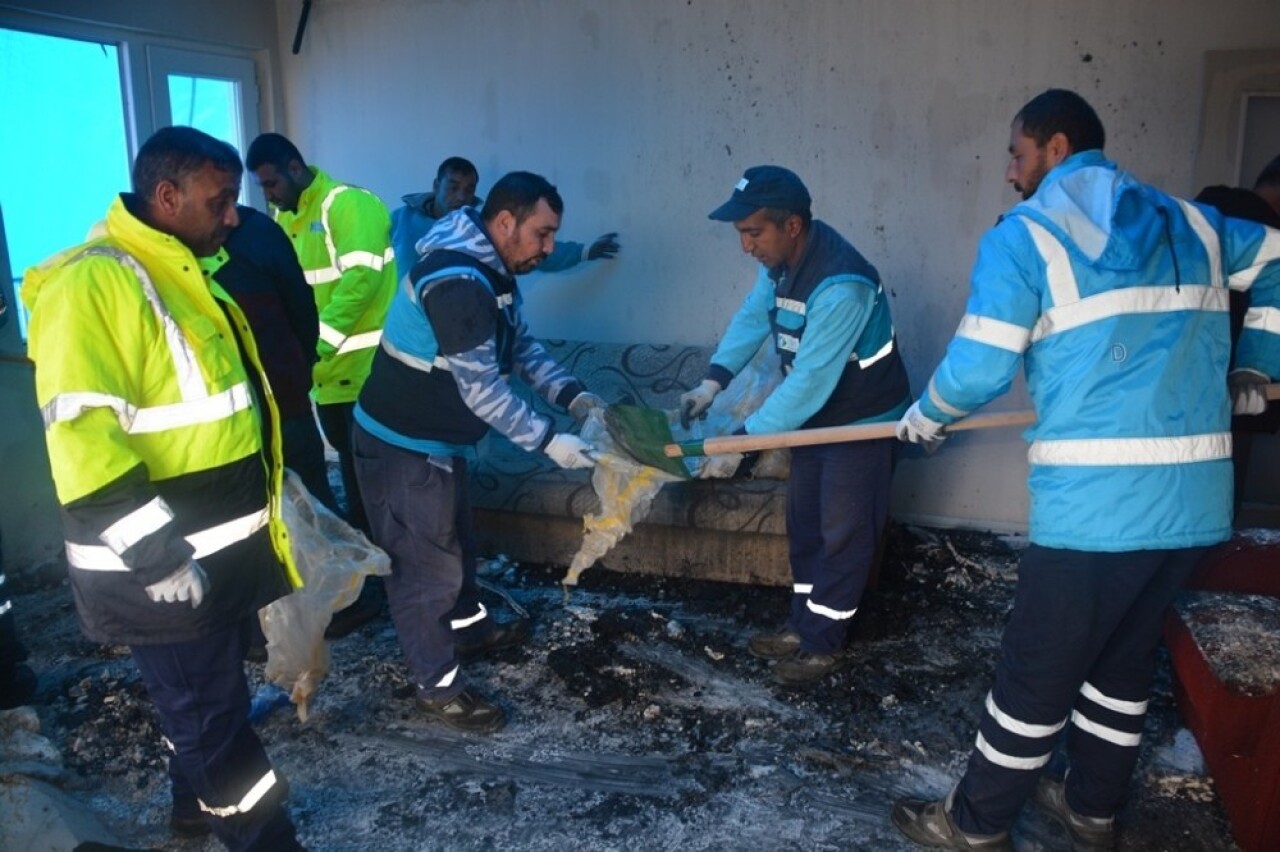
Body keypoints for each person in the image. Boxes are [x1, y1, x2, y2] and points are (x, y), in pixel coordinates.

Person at [891, 89, 1280, 850]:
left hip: (1096, 513)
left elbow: (979, 368)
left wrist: (926, 417)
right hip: (1192, 505)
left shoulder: (1025, 236)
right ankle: (1092, 809)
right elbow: (1277, 259)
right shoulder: (1192, 221)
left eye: (1016, 153)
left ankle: (975, 824)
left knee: (1036, 674)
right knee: (1121, 663)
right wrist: (1257, 363)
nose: (1009, 172)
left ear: (1057, 148)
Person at [21, 126, 304, 850]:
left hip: (212, 559)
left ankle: (189, 817)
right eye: (220, 201)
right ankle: (263, 839)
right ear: (167, 197)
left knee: (209, 705)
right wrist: (157, 555)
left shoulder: (182, 273)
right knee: (213, 722)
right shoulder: (96, 283)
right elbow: (82, 439)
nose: (234, 216)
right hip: (160, 571)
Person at [353, 171, 601, 733]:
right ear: (505, 222)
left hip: (437, 439)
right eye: (541, 234)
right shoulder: (459, 283)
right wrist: (547, 441)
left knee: (456, 542)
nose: (547, 248)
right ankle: (437, 687)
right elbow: (484, 388)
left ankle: (470, 629)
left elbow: (521, 346)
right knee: (426, 567)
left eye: (552, 236)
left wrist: (574, 396)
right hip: (401, 445)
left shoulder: (494, 270)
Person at [682, 165, 911, 686]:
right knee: (805, 524)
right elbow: (749, 318)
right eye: (741, 234)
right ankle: (802, 625)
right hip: (815, 425)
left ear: (792, 226)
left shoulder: (842, 285)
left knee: (843, 534)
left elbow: (809, 381)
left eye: (753, 233)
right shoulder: (782, 265)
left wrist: (740, 443)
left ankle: (823, 644)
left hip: (862, 426)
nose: (746, 247)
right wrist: (711, 382)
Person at [246, 132, 396, 638]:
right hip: (328, 383)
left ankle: (392, 590)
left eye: (270, 182)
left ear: (293, 166)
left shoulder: (347, 205)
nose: (267, 194)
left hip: (369, 374)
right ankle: (373, 587)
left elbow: (362, 285)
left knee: (375, 490)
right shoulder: (284, 222)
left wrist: (314, 345)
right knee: (354, 489)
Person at [203, 205, 338, 513]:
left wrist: (298, 367)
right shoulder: (182, 253)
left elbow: (301, 308)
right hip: (248, 412)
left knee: (311, 506)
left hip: (282, 398)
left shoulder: (255, 232)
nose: (230, 216)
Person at [1194, 153, 1280, 519]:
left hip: (1173, 386)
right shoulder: (1268, 240)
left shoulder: (1196, 218)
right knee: (1218, 504)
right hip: (1239, 393)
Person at [391, 156, 620, 278]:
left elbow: (528, 246)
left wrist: (584, 252)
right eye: (453, 187)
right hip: (402, 334)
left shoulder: (478, 230)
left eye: (469, 189)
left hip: (451, 332)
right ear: (436, 186)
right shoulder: (399, 221)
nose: (462, 196)